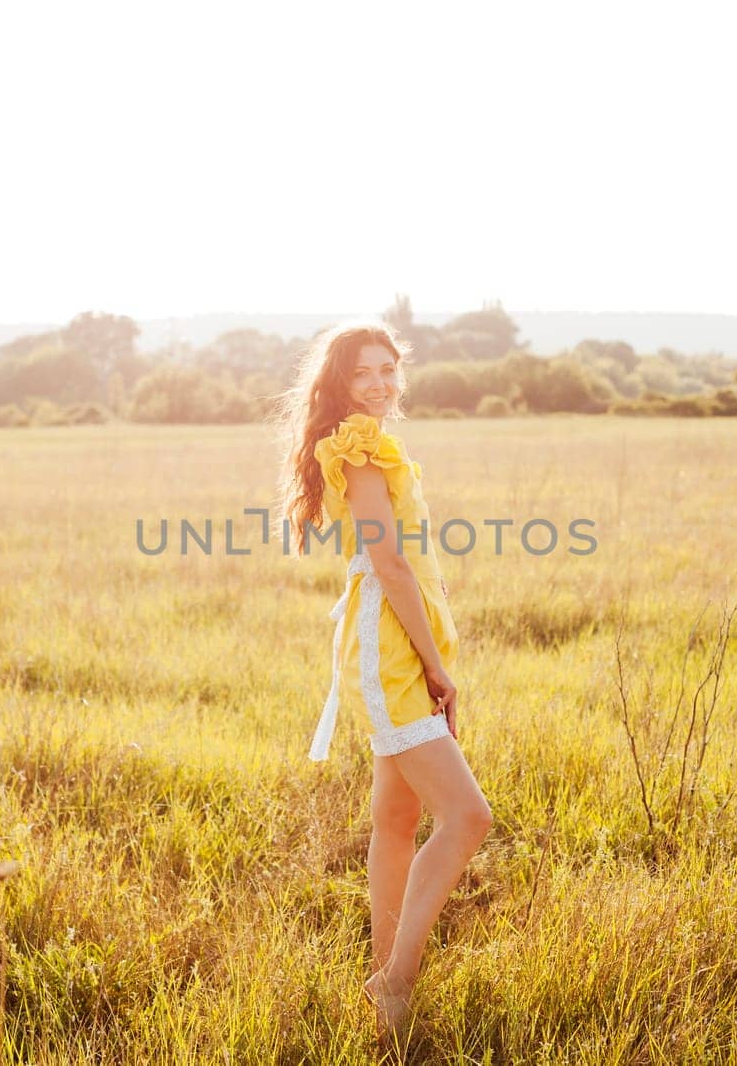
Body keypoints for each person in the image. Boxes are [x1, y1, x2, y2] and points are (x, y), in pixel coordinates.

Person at [273, 321, 494, 1047]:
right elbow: (390, 563)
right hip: (389, 648)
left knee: (397, 820)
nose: (378, 381)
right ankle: (395, 979)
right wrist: (436, 666)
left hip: (391, 637)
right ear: (339, 382)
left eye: (387, 369)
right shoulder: (359, 449)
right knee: (468, 818)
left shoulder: (369, 439)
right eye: (362, 371)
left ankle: (382, 969)